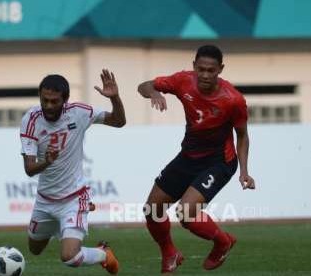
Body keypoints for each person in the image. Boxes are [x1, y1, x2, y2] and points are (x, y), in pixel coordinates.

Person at [137, 45, 256, 273]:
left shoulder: (233, 100)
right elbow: (143, 86)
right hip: (188, 157)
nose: (205, 75)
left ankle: (223, 241)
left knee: (186, 213)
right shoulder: (183, 80)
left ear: (220, 69)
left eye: (211, 70)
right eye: (201, 69)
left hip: (219, 161)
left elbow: (242, 135)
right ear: (194, 66)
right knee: (152, 209)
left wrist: (244, 171)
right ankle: (169, 253)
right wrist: (153, 92)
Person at [20, 69, 125, 274]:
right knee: (35, 250)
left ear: (65, 100)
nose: (49, 106)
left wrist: (115, 99)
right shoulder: (30, 120)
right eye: (45, 100)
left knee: (70, 257)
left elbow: (119, 121)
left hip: (74, 197)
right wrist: (47, 162)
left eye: (54, 101)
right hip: (44, 200)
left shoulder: (79, 112)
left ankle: (103, 253)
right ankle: (62, 229)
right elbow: (30, 169)